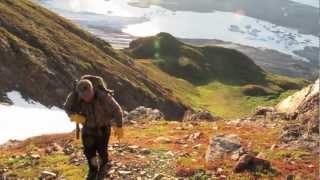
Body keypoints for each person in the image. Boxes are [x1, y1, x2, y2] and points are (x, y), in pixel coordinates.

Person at [64, 75, 123, 180]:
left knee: (102, 151)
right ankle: (93, 170)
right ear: (80, 95)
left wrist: (119, 126)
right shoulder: (75, 96)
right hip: (87, 129)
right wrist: (74, 116)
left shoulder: (103, 96)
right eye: (84, 97)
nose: (87, 98)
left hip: (103, 128)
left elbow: (117, 110)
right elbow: (67, 107)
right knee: (88, 152)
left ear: (92, 90)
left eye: (88, 95)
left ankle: (103, 168)